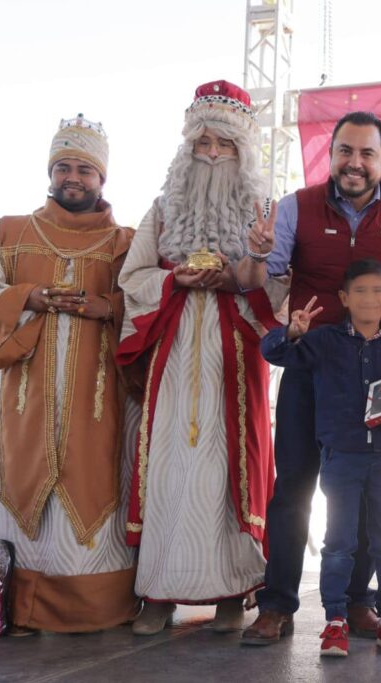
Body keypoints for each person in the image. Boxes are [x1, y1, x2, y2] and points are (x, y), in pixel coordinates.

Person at [240, 111, 381, 645]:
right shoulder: (295, 207)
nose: (355, 163)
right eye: (345, 152)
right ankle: (277, 605)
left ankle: (357, 604)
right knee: (293, 489)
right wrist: (259, 253)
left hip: (375, 379)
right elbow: (263, 278)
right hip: (310, 369)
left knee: (369, 493)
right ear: (330, 155)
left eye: (366, 153)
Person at [116, 80, 282, 635]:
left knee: (227, 470)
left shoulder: (265, 210)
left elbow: (278, 287)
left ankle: (234, 593)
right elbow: (133, 276)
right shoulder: (163, 207)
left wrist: (245, 269)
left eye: (224, 144)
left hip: (236, 353)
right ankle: (159, 595)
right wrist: (175, 280)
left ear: (244, 150)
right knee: (167, 467)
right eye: (203, 142)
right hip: (174, 350)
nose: (212, 154)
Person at [0, 115, 139, 633]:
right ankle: (20, 608)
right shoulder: (12, 232)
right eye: (63, 167)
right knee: (25, 499)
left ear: (102, 177)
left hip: (100, 403)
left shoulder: (126, 242)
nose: (72, 178)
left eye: (84, 169)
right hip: (25, 400)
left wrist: (108, 308)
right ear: (50, 171)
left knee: (98, 494)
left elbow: (149, 305)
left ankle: (100, 608)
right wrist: (28, 297)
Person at [260, 258, 381, 657]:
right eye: (360, 291)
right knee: (338, 542)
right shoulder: (323, 341)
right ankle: (335, 621)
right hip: (340, 458)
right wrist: (292, 332)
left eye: (378, 291)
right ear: (344, 298)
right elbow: (274, 354)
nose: (369, 299)